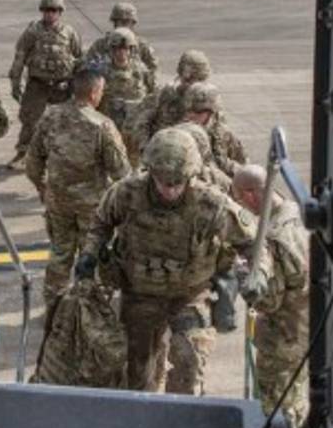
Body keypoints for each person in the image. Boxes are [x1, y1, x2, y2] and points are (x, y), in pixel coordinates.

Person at [75, 129, 266, 394]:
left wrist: (258, 273)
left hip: (189, 295)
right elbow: (101, 223)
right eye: (164, 182)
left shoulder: (211, 204)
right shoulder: (127, 193)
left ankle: (181, 414)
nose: (171, 189)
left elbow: (251, 242)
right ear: (150, 172)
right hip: (140, 294)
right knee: (138, 373)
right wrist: (89, 254)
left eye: (179, 182)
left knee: (188, 359)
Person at [26, 63, 131, 311]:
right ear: (94, 92)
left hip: (58, 201)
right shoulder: (102, 125)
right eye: (101, 91)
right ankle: (92, 309)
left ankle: (54, 307)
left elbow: (32, 160)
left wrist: (42, 189)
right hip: (91, 206)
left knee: (60, 252)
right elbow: (121, 172)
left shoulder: (50, 116)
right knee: (92, 255)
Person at [232, 164, 310, 428]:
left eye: (242, 198)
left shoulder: (273, 237)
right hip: (306, 328)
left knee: (275, 412)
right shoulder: (298, 211)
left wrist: (244, 273)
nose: (244, 205)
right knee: (298, 399)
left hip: (282, 337)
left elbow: (269, 301)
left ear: (252, 195)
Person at [6, 0, 82, 170]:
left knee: (65, 122)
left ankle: (64, 156)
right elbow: (20, 56)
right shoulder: (33, 31)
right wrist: (15, 83)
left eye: (54, 10)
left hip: (61, 87)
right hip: (38, 84)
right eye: (46, 10)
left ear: (60, 12)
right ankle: (23, 153)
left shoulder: (69, 32)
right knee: (30, 121)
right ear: (42, 11)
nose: (50, 14)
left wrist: (77, 87)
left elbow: (78, 58)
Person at [124, 49, 211, 163]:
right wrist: (146, 150)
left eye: (200, 80)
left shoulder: (207, 98)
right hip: (162, 157)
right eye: (190, 80)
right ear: (181, 75)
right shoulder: (164, 95)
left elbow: (218, 131)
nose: (194, 85)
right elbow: (140, 121)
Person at [180, 81, 248, 178]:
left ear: (212, 112)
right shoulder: (179, 135)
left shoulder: (223, 134)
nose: (191, 115)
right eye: (188, 110)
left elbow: (244, 164)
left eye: (198, 111)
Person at [87, 2, 159, 90]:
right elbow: (87, 69)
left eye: (127, 22)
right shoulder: (101, 44)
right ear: (114, 23)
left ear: (133, 24)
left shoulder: (141, 46)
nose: (123, 25)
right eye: (120, 22)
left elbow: (153, 70)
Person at [97, 28, 151, 139]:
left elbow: (150, 93)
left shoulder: (141, 70)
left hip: (134, 128)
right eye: (117, 49)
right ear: (112, 50)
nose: (121, 52)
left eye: (125, 49)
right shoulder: (102, 71)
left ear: (131, 50)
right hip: (110, 126)